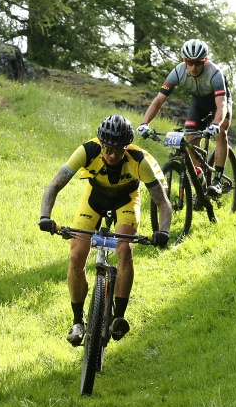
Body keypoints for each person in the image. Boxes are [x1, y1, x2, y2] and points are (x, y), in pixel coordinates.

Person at [38, 115, 172, 346]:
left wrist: (164, 231)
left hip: (126, 199)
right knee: (76, 255)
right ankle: (78, 321)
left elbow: (163, 202)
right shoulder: (87, 151)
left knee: (125, 250)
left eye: (118, 150)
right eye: (108, 149)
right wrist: (45, 216)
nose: (112, 155)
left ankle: (118, 317)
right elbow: (54, 185)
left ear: (126, 147)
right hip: (95, 197)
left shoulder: (139, 160)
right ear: (100, 144)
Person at [136, 38, 232, 196]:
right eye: (189, 62)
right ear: (184, 60)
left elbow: (221, 104)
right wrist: (144, 123)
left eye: (198, 63)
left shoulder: (214, 73)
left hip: (219, 101)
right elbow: (158, 100)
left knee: (221, 131)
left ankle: (217, 181)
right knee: (190, 138)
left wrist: (215, 124)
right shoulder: (177, 72)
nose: (193, 67)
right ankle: (200, 179)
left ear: (205, 60)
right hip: (198, 103)